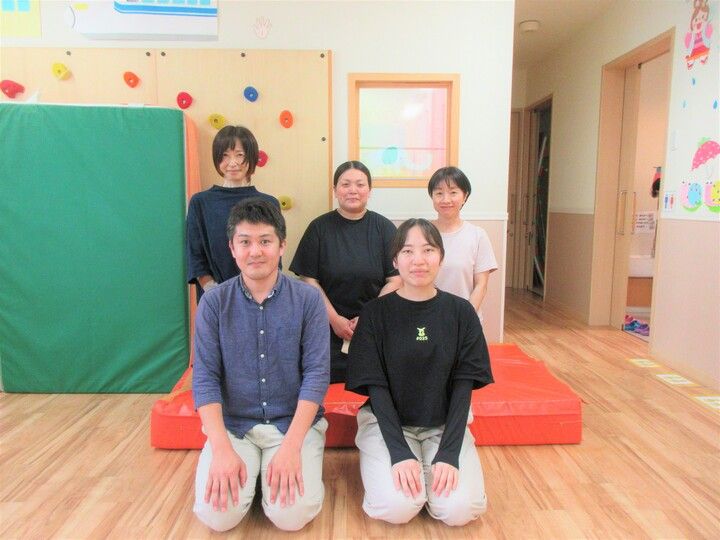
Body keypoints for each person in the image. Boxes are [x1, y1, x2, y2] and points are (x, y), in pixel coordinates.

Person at [192, 199, 330, 532]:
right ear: (232, 248)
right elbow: (205, 378)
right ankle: (252, 476)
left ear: (281, 246)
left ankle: (265, 477)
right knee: (217, 517)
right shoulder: (213, 302)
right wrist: (221, 450)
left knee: (291, 517)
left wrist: (292, 447)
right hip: (234, 426)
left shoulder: (308, 299)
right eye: (245, 242)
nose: (255, 251)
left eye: (265, 241)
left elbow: (317, 374)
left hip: (291, 425)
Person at [346, 219, 493, 526]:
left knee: (460, 510)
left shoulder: (461, 312)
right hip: (387, 425)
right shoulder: (374, 313)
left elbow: (463, 387)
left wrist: (449, 454)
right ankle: (409, 475)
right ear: (395, 260)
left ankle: (430, 478)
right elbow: (376, 388)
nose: (418, 260)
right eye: (408, 251)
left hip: (443, 426)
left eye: (428, 250)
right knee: (396, 508)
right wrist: (399, 453)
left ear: (441, 256)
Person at [290, 161, 401, 383]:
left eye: (360, 184)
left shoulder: (384, 228)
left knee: (379, 381)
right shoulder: (319, 228)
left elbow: (395, 279)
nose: (353, 190)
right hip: (326, 327)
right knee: (320, 379)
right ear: (335, 190)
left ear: (369, 190)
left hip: (374, 326)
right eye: (345, 184)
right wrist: (335, 320)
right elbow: (308, 279)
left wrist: (368, 317)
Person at [186, 125, 279, 301]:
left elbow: (274, 256)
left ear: (251, 157)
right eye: (225, 155)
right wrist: (214, 292)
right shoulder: (200, 202)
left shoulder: (269, 203)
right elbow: (195, 256)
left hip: (261, 296)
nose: (232, 162)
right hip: (215, 296)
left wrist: (262, 294)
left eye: (239, 155)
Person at [428, 166, 497, 323]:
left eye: (453, 192)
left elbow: (481, 284)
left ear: (465, 196)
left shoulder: (477, 235)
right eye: (439, 193)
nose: (446, 199)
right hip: (428, 319)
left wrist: (465, 317)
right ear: (432, 196)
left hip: (466, 319)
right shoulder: (422, 233)